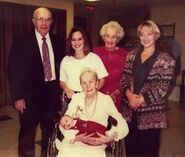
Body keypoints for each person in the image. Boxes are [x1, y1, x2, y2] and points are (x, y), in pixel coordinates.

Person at [7, 7, 65, 157]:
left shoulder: (59, 42)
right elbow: (13, 70)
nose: (44, 23)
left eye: (47, 19)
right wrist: (17, 97)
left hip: (51, 96)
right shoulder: (22, 41)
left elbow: (62, 69)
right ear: (34, 21)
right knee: (27, 134)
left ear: (52, 22)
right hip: (29, 97)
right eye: (40, 19)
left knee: (49, 134)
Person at [120, 20, 176, 157]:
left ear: (156, 35)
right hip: (130, 110)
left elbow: (162, 88)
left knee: (149, 151)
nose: (145, 38)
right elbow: (124, 79)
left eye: (149, 34)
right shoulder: (131, 55)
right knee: (131, 149)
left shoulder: (166, 59)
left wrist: (141, 99)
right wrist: (129, 95)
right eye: (142, 34)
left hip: (151, 113)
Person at [56, 68, 129, 157]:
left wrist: (111, 137)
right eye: (84, 83)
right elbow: (63, 122)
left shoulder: (106, 100)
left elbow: (123, 124)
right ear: (81, 86)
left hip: (96, 143)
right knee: (66, 152)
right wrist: (74, 137)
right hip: (76, 140)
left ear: (97, 83)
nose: (88, 86)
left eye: (91, 82)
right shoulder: (76, 98)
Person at [59, 27, 108, 111]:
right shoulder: (66, 60)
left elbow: (102, 79)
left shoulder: (94, 58)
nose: (76, 42)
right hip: (71, 99)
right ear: (70, 42)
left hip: (90, 99)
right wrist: (67, 89)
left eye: (79, 39)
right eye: (73, 40)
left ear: (84, 40)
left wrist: (92, 92)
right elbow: (62, 81)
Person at [93, 21, 127, 112]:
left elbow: (127, 76)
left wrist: (116, 93)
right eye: (107, 36)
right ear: (103, 37)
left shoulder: (124, 54)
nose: (110, 40)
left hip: (117, 93)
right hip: (97, 93)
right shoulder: (95, 52)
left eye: (114, 37)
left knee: (115, 121)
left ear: (118, 38)